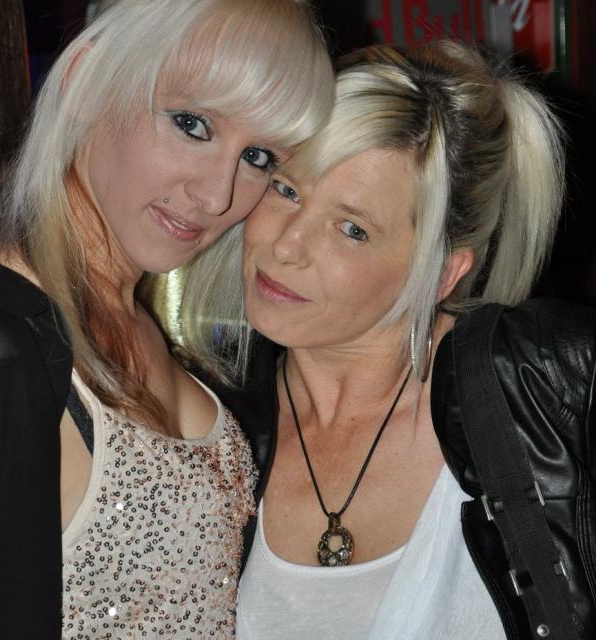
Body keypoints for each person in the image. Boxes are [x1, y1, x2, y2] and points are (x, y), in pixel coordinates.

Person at [180, 41, 596, 639]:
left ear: (443, 273)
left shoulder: (551, 390)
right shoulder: (206, 419)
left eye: (352, 229)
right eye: (287, 190)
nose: (287, 245)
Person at [0, 1, 333, 637]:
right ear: (85, 83)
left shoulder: (144, 329)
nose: (217, 195)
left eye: (258, 156)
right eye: (192, 124)